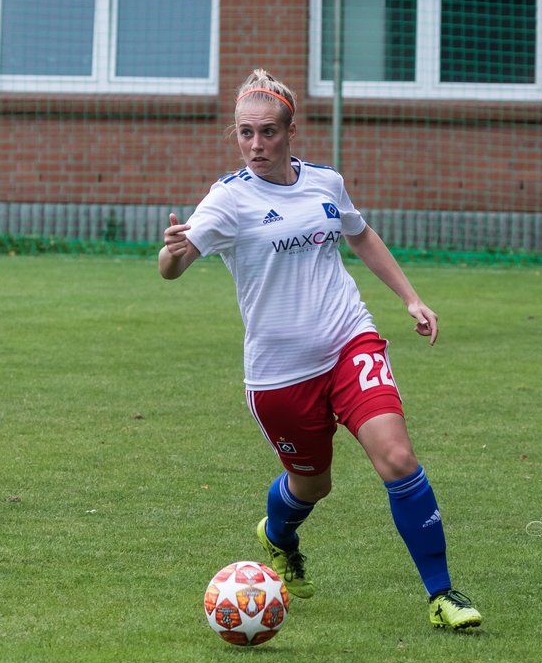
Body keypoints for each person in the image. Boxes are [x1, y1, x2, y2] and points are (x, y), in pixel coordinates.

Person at [159, 69, 482, 631]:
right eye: (245, 134)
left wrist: (410, 298)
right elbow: (173, 268)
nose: (256, 145)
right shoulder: (228, 200)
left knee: (398, 458)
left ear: (290, 132)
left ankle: (442, 594)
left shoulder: (325, 184)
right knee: (313, 485)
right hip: (280, 375)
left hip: (347, 341)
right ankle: (278, 533)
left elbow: (359, 233)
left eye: (267, 132)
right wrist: (173, 250)